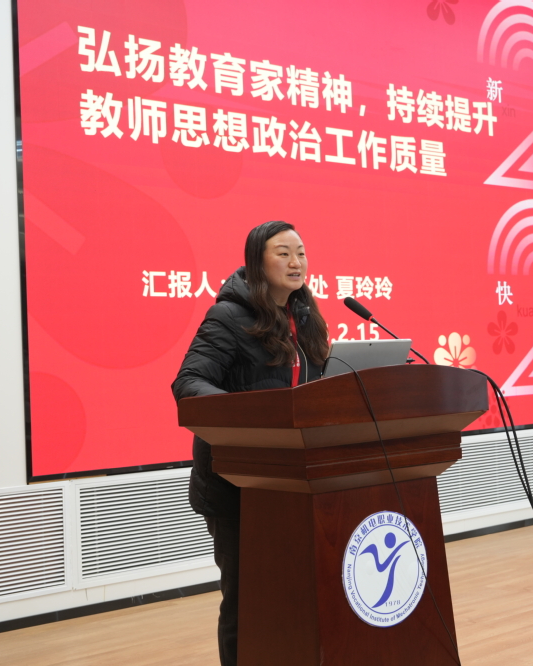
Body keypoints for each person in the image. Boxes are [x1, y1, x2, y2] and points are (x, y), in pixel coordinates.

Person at [171, 221, 329, 666]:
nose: (296, 262)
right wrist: (251, 415)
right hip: (237, 482)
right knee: (245, 599)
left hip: (294, 482)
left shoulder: (305, 318)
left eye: (301, 252)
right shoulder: (228, 315)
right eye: (284, 253)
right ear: (257, 262)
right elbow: (189, 382)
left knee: (291, 594)